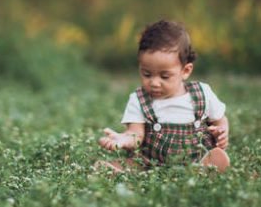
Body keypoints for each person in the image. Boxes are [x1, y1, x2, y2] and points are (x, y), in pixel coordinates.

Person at [96, 20, 230, 172]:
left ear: (185, 71)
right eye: (146, 74)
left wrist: (221, 132)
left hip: (196, 160)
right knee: (130, 164)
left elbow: (220, 120)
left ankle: (202, 170)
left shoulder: (202, 94)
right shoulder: (139, 100)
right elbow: (136, 134)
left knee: (214, 158)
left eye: (164, 76)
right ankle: (117, 172)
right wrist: (123, 140)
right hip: (151, 163)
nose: (154, 83)